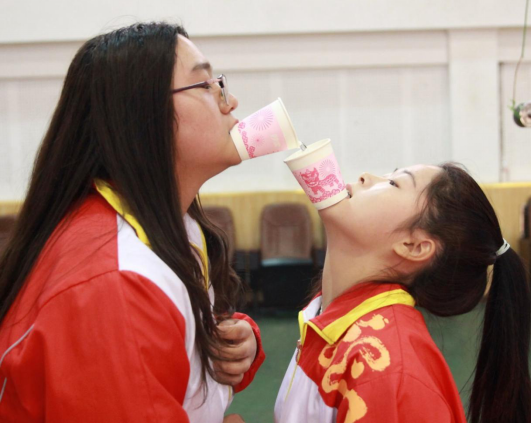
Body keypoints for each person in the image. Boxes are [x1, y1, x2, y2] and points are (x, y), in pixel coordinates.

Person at [0, 22, 265, 423]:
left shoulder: (169, 222)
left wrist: (233, 341)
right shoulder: (115, 287)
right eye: (207, 85)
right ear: (144, 116)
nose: (230, 102)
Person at [275, 163, 531, 423]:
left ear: (413, 246)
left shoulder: (389, 371)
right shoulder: (326, 314)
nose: (365, 176)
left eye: (393, 183)